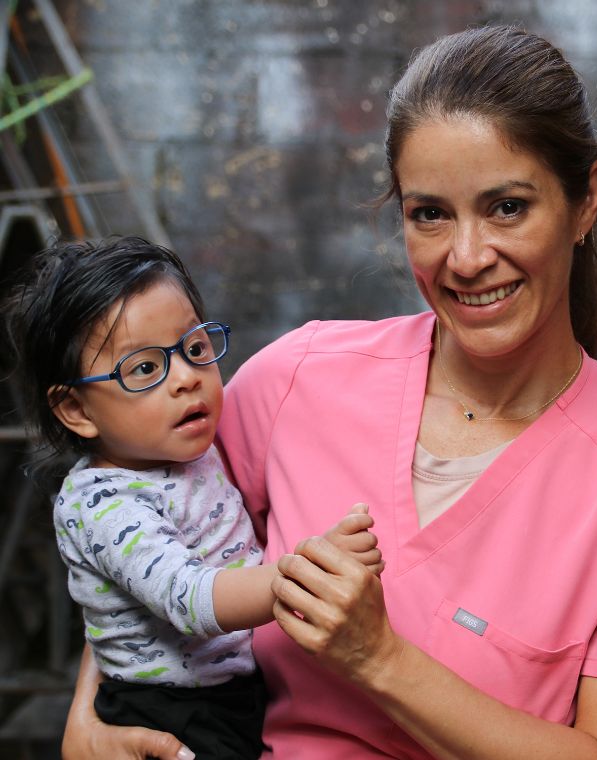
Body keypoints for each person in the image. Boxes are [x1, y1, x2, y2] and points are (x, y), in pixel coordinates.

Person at [60, 25, 597, 760]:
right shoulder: (297, 381)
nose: (469, 257)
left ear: (585, 203)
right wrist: (89, 718)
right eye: (430, 215)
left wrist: (379, 659)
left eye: (507, 207)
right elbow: (128, 523)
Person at [2, 236, 383, 760]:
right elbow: (189, 599)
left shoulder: (190, 448)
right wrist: (310, 573)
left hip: (233, 690)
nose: (186, 379)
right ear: (75, 409)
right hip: (167, 708)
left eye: (195, 348)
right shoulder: (102, 504)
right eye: (144, 369)